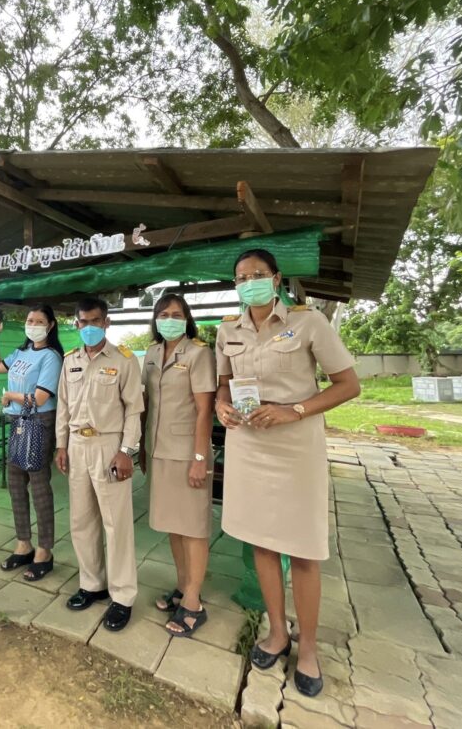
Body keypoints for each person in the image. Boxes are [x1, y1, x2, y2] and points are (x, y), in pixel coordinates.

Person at [216, 249, 359, 697]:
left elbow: (348, 385)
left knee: (303, 550)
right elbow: (223, 383)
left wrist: (294, 410)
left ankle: (309, 648)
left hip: (296, 448)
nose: (249, 282)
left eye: (257, 274)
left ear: (276, 279)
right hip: (247, 445)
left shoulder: (308, 322)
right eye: (242, 277)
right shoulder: (227, 329)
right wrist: (221, 406)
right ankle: (278, 632)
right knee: (261, 542)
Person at [56, 296, 144, 632]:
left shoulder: (124, 360)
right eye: (83, 322)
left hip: (109, 445)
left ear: (107, 322)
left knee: (116, 524)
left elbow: (134, 409)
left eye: (95, 321)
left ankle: (122, 596)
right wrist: (61, 445)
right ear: (76, 323)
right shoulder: (70, 360)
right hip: (77, 444)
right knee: (82, 520)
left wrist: (126, 451)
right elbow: (63, 406)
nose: (89, 327)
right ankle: (92, 584)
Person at [140, 295, 216, 637]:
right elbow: (145, 404)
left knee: (193, 527)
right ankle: (184, 587)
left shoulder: (199, 353)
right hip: (158, 451)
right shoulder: (152, 354)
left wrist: (200, 459)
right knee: (173, 524)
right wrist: (141, 447)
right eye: (163, 314)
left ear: (187, 319)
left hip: (187, 453)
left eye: (176, 314)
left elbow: (205, 410)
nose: (169, 319)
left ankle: (194, 604)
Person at [0, 305, 64, 582]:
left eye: (39, 321)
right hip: (18, 422)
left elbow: (40, 398)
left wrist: (10, 395)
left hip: (39, 422)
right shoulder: (22, 352)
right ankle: (23, 544)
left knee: (39, 486)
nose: (33, 325)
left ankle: (44, 550)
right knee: (16, 484)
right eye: (30, 320)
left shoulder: (51, 357)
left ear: (51, 325)